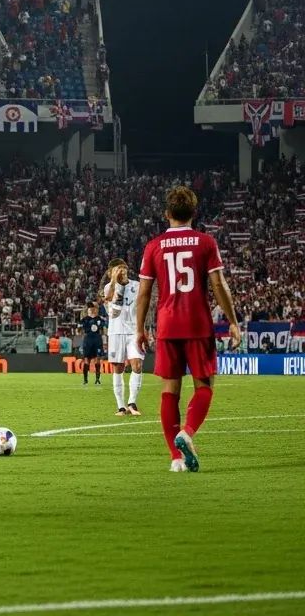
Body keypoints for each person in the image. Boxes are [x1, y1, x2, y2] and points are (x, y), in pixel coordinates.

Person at [137, 185, 241, 472]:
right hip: (197, 323)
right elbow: (218, 284)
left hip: (167, 325)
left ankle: (175, 458)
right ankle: (188, 432)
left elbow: (144, 292)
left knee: (170, 390)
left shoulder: (154, 246)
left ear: (166, 213)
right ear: (194, 213)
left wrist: (140, 329)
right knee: (204, 385)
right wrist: (232, 321)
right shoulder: (206, 242)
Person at [103, 259, 144, 416]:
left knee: (137, 365)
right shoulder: (108, 288)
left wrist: (145, 329)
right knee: (118, 368)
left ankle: (132, 402)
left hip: (134, 331)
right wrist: (117, 284)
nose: (122, 272)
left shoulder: (137, 286)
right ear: (111, 272)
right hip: (116, 332)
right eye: (117, 270)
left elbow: (143, 308)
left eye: (123, 269)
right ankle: (121, 406)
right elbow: (115, 310)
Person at [79, 303, 105, 389]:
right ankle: (85, 380)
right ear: (88, 311)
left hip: (97, 340)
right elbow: (79, 330)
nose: (92, 310)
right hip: (88, 341)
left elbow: (103, 330)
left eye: (94, 308)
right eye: (90, 309)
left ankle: (97, 379)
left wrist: (104, 342)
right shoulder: (84, 319)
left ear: (96, 310)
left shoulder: (100, 319)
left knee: (97, 360)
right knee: (87, 361)